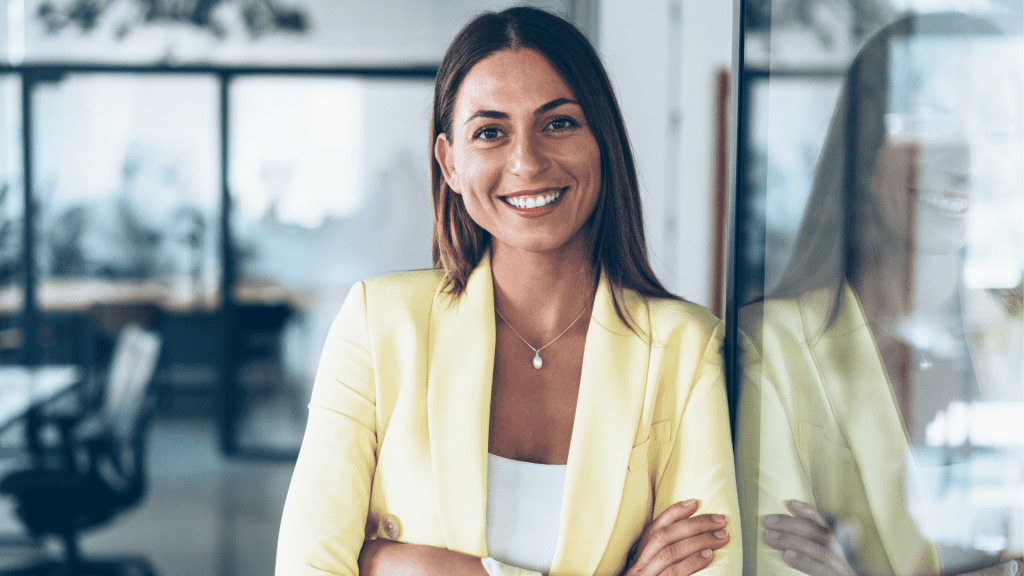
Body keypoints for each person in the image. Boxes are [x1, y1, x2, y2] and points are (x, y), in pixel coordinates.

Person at [276, 7, 740, 576]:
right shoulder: (379, 325)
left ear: (604, 141)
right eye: (490, 132)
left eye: (559, 123)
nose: (526, 161)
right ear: (449, 163)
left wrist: (410, 567)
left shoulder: (685, 349)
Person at [736, 11, 1023, 576]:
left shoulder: (1014, 345)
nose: (962, 158)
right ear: (866, 147)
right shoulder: (776, 348)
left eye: (992, 124)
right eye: (933, 117)